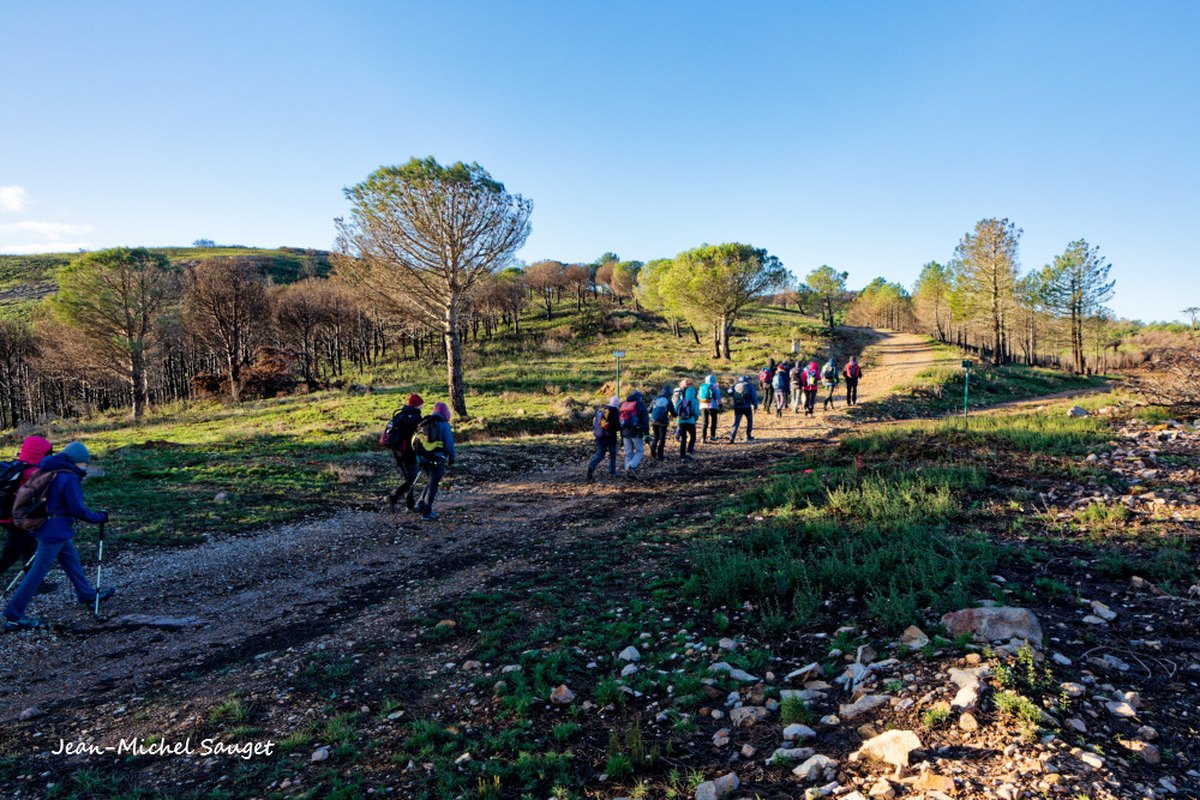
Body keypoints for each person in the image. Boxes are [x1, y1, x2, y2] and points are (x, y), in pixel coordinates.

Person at [3, 441, 110, 632]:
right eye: (84, 462)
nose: (86, 466)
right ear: (77, 461)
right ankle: (13, 615)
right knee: (37, 572)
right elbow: (77, 509)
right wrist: (99, 517)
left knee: (71, 560)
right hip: (54, 532)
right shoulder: (68, 477)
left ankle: (86, 594)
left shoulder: (52, 469)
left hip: (51, 528)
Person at [0, 436, 56, 595]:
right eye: (47, 453)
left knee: (29, 547)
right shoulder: (33, 472)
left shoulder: (17, 466)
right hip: (19, 520)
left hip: (8, 517)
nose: (49, 456)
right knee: (11, 555)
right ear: (39, 453)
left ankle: (36, 584)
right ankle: (35, 584)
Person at [415, 402, 455, 521]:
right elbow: (449, 444)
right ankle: (426, 513)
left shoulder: (425, 422)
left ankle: (420, 503)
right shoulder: (444, 425)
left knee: (430, 482)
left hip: (423, 458)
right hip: (437, 459)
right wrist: (452, 457)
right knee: (433, 485)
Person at [385, 394, 425, 513]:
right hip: (408, 451)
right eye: (421, 404)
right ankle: (393, 497)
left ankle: (410, 505)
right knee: (412, 478)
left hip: (397, 450)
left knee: (409, 477)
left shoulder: (400, 414)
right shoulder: (416, 417)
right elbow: (418, 436)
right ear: (417, 405)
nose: (422, 406)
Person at [587, 396, 621, 482]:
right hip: (610, 437)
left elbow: (595, 423)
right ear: (617, 404)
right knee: (612, 454)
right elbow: (617, 426)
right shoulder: (614, 412)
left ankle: (591, 465)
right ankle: (612, 471)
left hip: (599, 436)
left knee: (600, 454)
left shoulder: (603, 411)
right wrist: (621, 426)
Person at [619, 389, 649, 479]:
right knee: (640, 451)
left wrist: (621, 436)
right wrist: (646, 434)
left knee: (628, 453)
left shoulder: (623, 405)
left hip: (625, 432)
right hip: (636, 432)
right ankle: (631, 466)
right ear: (639, 398)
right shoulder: (640, 405)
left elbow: (620, 421)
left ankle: (627, 471)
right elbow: (645, 421)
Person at [648, 384, 676, 460]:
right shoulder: (668, 400)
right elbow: (673, 412)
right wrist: (675, 415)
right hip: (663, 422)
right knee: (662, 438)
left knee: (656, 436)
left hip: (654, 420)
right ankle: (660, 455)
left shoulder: (655, 399)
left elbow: (649, 410)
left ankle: (653, 450)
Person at [728, 375, 758, 442]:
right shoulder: (750, 386)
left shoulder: (735, 385)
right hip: (747, 407)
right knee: (749, 421)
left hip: (737, 407)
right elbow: (754, 396)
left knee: (736, 423)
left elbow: (729, 392)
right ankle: (748, 436)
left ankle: (732, 437)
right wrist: (755, 405)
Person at [673, 380, 699, 459]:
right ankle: (689, 452)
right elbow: (696, 412)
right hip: (691, 422)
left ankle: (682, 457)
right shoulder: (695, 401)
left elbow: (675, 411)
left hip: (681, 422)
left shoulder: (681, 401)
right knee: (693, 437)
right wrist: (695, 419)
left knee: (683, 439)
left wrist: (679, 417)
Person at [698, 375, 723, 443]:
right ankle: (712, 436)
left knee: (705, 422)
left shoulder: (702, 386)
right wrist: (720, 404)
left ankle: (703, 438)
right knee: (714, 421)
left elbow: (698, 396)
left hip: (702, 406)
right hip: (712, 406)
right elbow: (718, 396)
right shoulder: (715, 386)